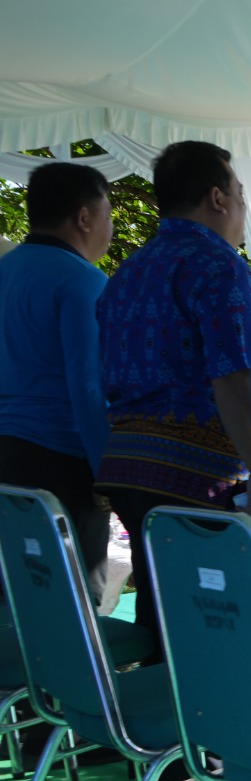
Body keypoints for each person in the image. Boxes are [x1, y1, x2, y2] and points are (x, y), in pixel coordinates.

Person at [96, 141, 251, 636]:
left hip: (125, 468)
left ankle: (152, 705)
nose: (242, 205)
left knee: (161, 614)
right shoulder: (219, 266)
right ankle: (195, 711)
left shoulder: (128, 271)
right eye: (238, 192)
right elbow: (235, 377)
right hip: (192, 478)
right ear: (217, 198)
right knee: (208, 624)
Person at [0, 163, 113, 605]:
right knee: (73, 600)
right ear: (84, 217)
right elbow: (88, 387)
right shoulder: (82, 281)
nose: (108, 227)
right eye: (107, 215)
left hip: (7, 452)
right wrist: (108, 472)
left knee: (19, 594)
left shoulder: (6, 271)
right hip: (60, 460)